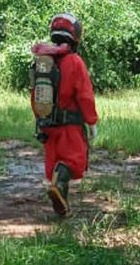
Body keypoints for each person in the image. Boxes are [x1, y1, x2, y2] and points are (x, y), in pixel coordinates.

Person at [30, 13, 98, 217]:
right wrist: (92, 121)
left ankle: (62, 207)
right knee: (71, 162)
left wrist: (40, 118)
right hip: (70, 125)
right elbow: (85, 95)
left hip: (48, 124)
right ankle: (59, 187)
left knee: (56, 167)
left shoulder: (42, 61)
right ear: (75, 35)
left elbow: (35, 93)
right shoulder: (74, 62)